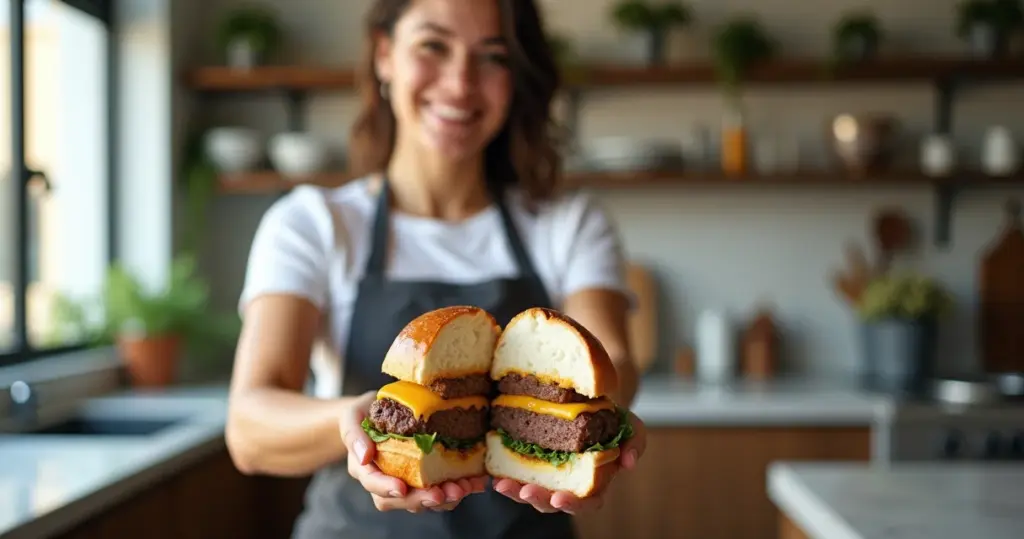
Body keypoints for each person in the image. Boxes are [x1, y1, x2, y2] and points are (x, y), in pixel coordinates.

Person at [225, 0, 647, 537]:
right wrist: (361, 421)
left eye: (492, 56)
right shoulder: (313, 223)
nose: (460, 83)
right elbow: (249, 428)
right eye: (433, 46)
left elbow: (615, 362)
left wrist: (604, 424)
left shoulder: (568, 223)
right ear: (384, 55)